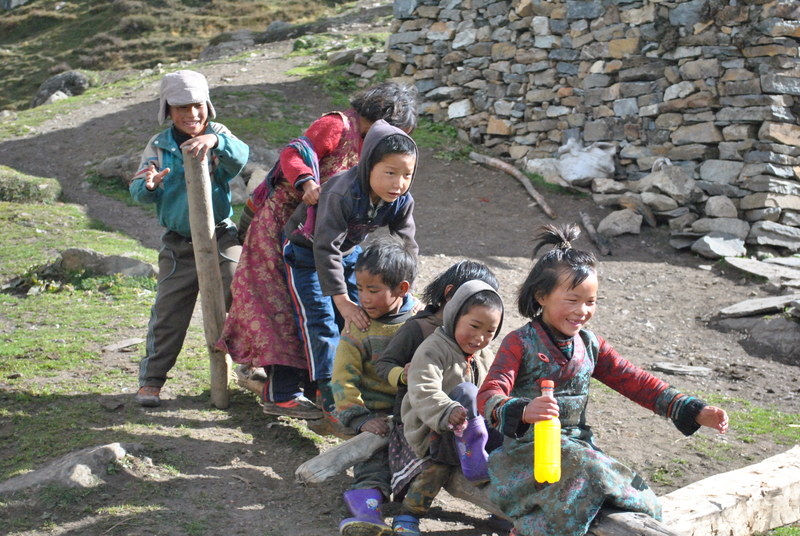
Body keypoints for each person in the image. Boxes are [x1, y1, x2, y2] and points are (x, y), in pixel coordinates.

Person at [476, 224, 729, 536]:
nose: (582, 311)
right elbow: (489, 394)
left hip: (579, 450)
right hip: (529, 456)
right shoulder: (520, 343)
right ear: (541, 296)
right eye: (572, 300)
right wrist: (524, 410)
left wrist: (692, 409)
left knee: (635, 489)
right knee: (592, 472)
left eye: (591, 301)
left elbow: (634, 380)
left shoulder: (590, 344)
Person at [216, 82, 418, 419]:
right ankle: (290, 392)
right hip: (288, 228)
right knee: (283, 309)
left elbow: (403, 235)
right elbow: (294, 153)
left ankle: (323, 386)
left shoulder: (379, 168)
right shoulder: (338, 126)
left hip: (333, 235)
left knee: (335, 313)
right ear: (383, 121)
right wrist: (307, 181)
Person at [284, 120, 418, 425]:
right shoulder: (342, 193)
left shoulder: (401, 200)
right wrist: (342, 300)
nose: (398, 183)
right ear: (368, 166)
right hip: (307, 251)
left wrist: (407, 289)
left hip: (348, 251)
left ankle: (357, 391)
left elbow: (408, 245)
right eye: (390, 173)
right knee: (322, 321)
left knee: (361, 319)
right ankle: (329, 398)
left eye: (407, 175)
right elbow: (325, 248)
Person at [129, 69, 250, 407]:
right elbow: (138, 189)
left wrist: (214, 142)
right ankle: (152, 380)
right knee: (168, 312)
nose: (192, 114)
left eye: (198, 105)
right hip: (179, 243)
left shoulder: (219, 134)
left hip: (220, 235)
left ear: (207, 105)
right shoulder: (159, 146)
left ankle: (252, 365)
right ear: (167, 110)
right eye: (182, 107)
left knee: (241, 289)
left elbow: (241, 157)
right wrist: (148, 186)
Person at [374, 261, 501, 534]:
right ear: (454, 312)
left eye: (490, 331)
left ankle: (503, 509)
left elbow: (494, 388)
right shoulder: (431, 346)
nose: (480, 337)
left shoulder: (482, 354)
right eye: (474, 326)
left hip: (469, 426)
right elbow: (423, 389)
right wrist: (446, 412)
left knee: (508, 450)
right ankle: (408, 516)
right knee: (438, 467)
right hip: (433, 425)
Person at [331, 237, 417, 536]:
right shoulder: (359, 327)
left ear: (402, 289)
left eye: (373, 290)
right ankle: (367, 509)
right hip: (376, 415)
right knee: (374, 462)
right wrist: (360, 418)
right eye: (359, 289)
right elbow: (343, 379)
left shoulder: (420, 320)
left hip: (414, 412)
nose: (364, 299)